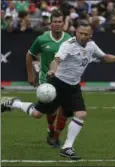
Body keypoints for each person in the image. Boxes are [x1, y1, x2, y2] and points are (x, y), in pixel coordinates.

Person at [1, 21, 115, 160]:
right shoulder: (68, 45)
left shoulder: (91, 46)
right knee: (37, 114)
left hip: (73, 87)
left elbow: (104, 57)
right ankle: (15, 103)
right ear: (76, 32)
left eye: (85, 34)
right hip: (57, 84)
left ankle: (67, 147)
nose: (82, 36)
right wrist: (52, 70)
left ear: (91, 36)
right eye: (80, 33)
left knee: (80, 114)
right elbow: (56, 60)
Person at [26, 9, 71, 148]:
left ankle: (55, 135)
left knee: (64, 110)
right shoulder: (42, 39)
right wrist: (31, 74)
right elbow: (29, 55)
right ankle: (51, 131)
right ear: (50, 24)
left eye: (60, 22)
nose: (57, 24)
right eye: (55, 22)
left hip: (64, 79)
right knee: (51, 110)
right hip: (46, 78)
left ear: (63, 23)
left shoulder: (69, 39)